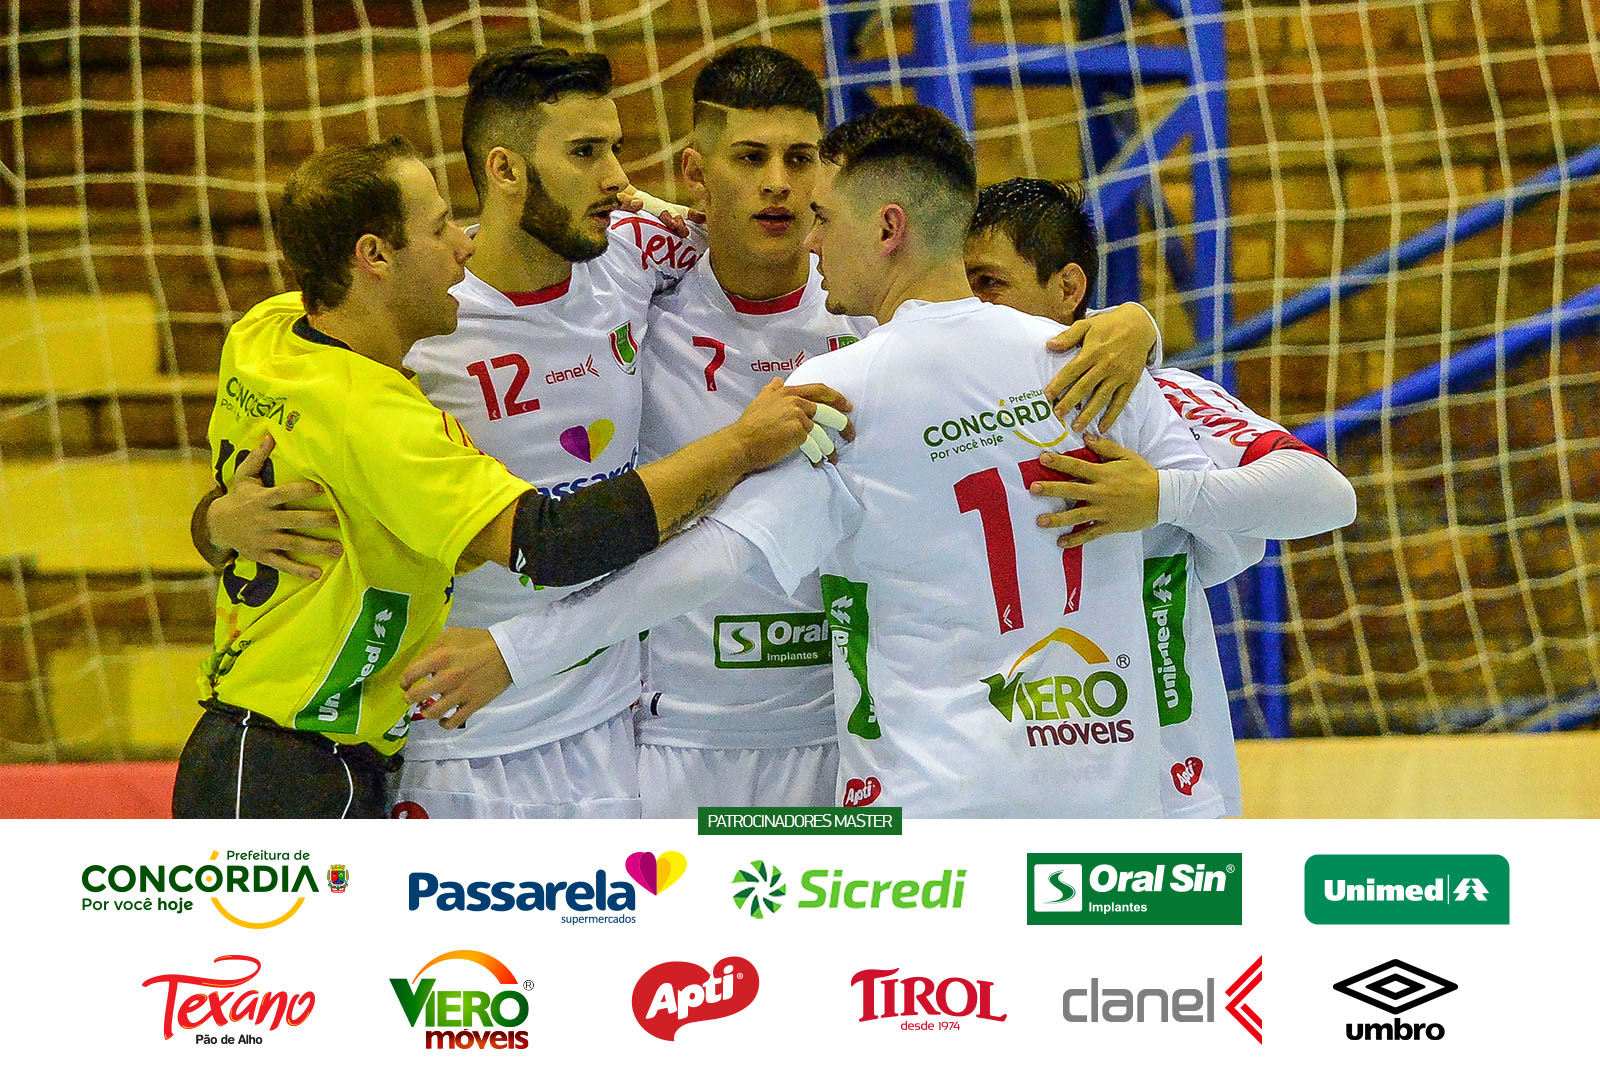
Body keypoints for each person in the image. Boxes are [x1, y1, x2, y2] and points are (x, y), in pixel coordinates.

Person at [407, 105, 1260, 817]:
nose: (811, 240)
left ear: (887, 228)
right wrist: (1149, 365)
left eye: (824, 216)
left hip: (928, 803)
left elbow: (711, 557)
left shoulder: (849, 382)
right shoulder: (1088, 358)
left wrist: (517, 650)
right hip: (1104, 794)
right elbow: (1287, 510)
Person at [192, 48, 844, 820]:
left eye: (615, 149)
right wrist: (216, 521)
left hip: (605, 730)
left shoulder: (634, 254)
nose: (616, 178)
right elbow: (286, 457)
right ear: (504, 169)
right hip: (449, 730)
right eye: (585, 152)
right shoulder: (411, 318)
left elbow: (748, 227)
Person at [180, 135, 658, 817]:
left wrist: (214, 520)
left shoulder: (266, 331)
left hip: (280, 749)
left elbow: (270, 468)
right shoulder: (375, 417)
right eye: (439, 228)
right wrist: (737, 448)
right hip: (287, 769)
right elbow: (549, 541)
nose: (463, 244)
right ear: (373, 255)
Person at [966, 177, 1357, 815]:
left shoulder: (1157, 398)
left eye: (989, 283)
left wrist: (1161, 497)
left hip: (1163, 778)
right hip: (998, 774)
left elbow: (1327, 494)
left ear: (1067, 289)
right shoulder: (931, 415)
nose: (971, 306)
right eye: (961, 287)